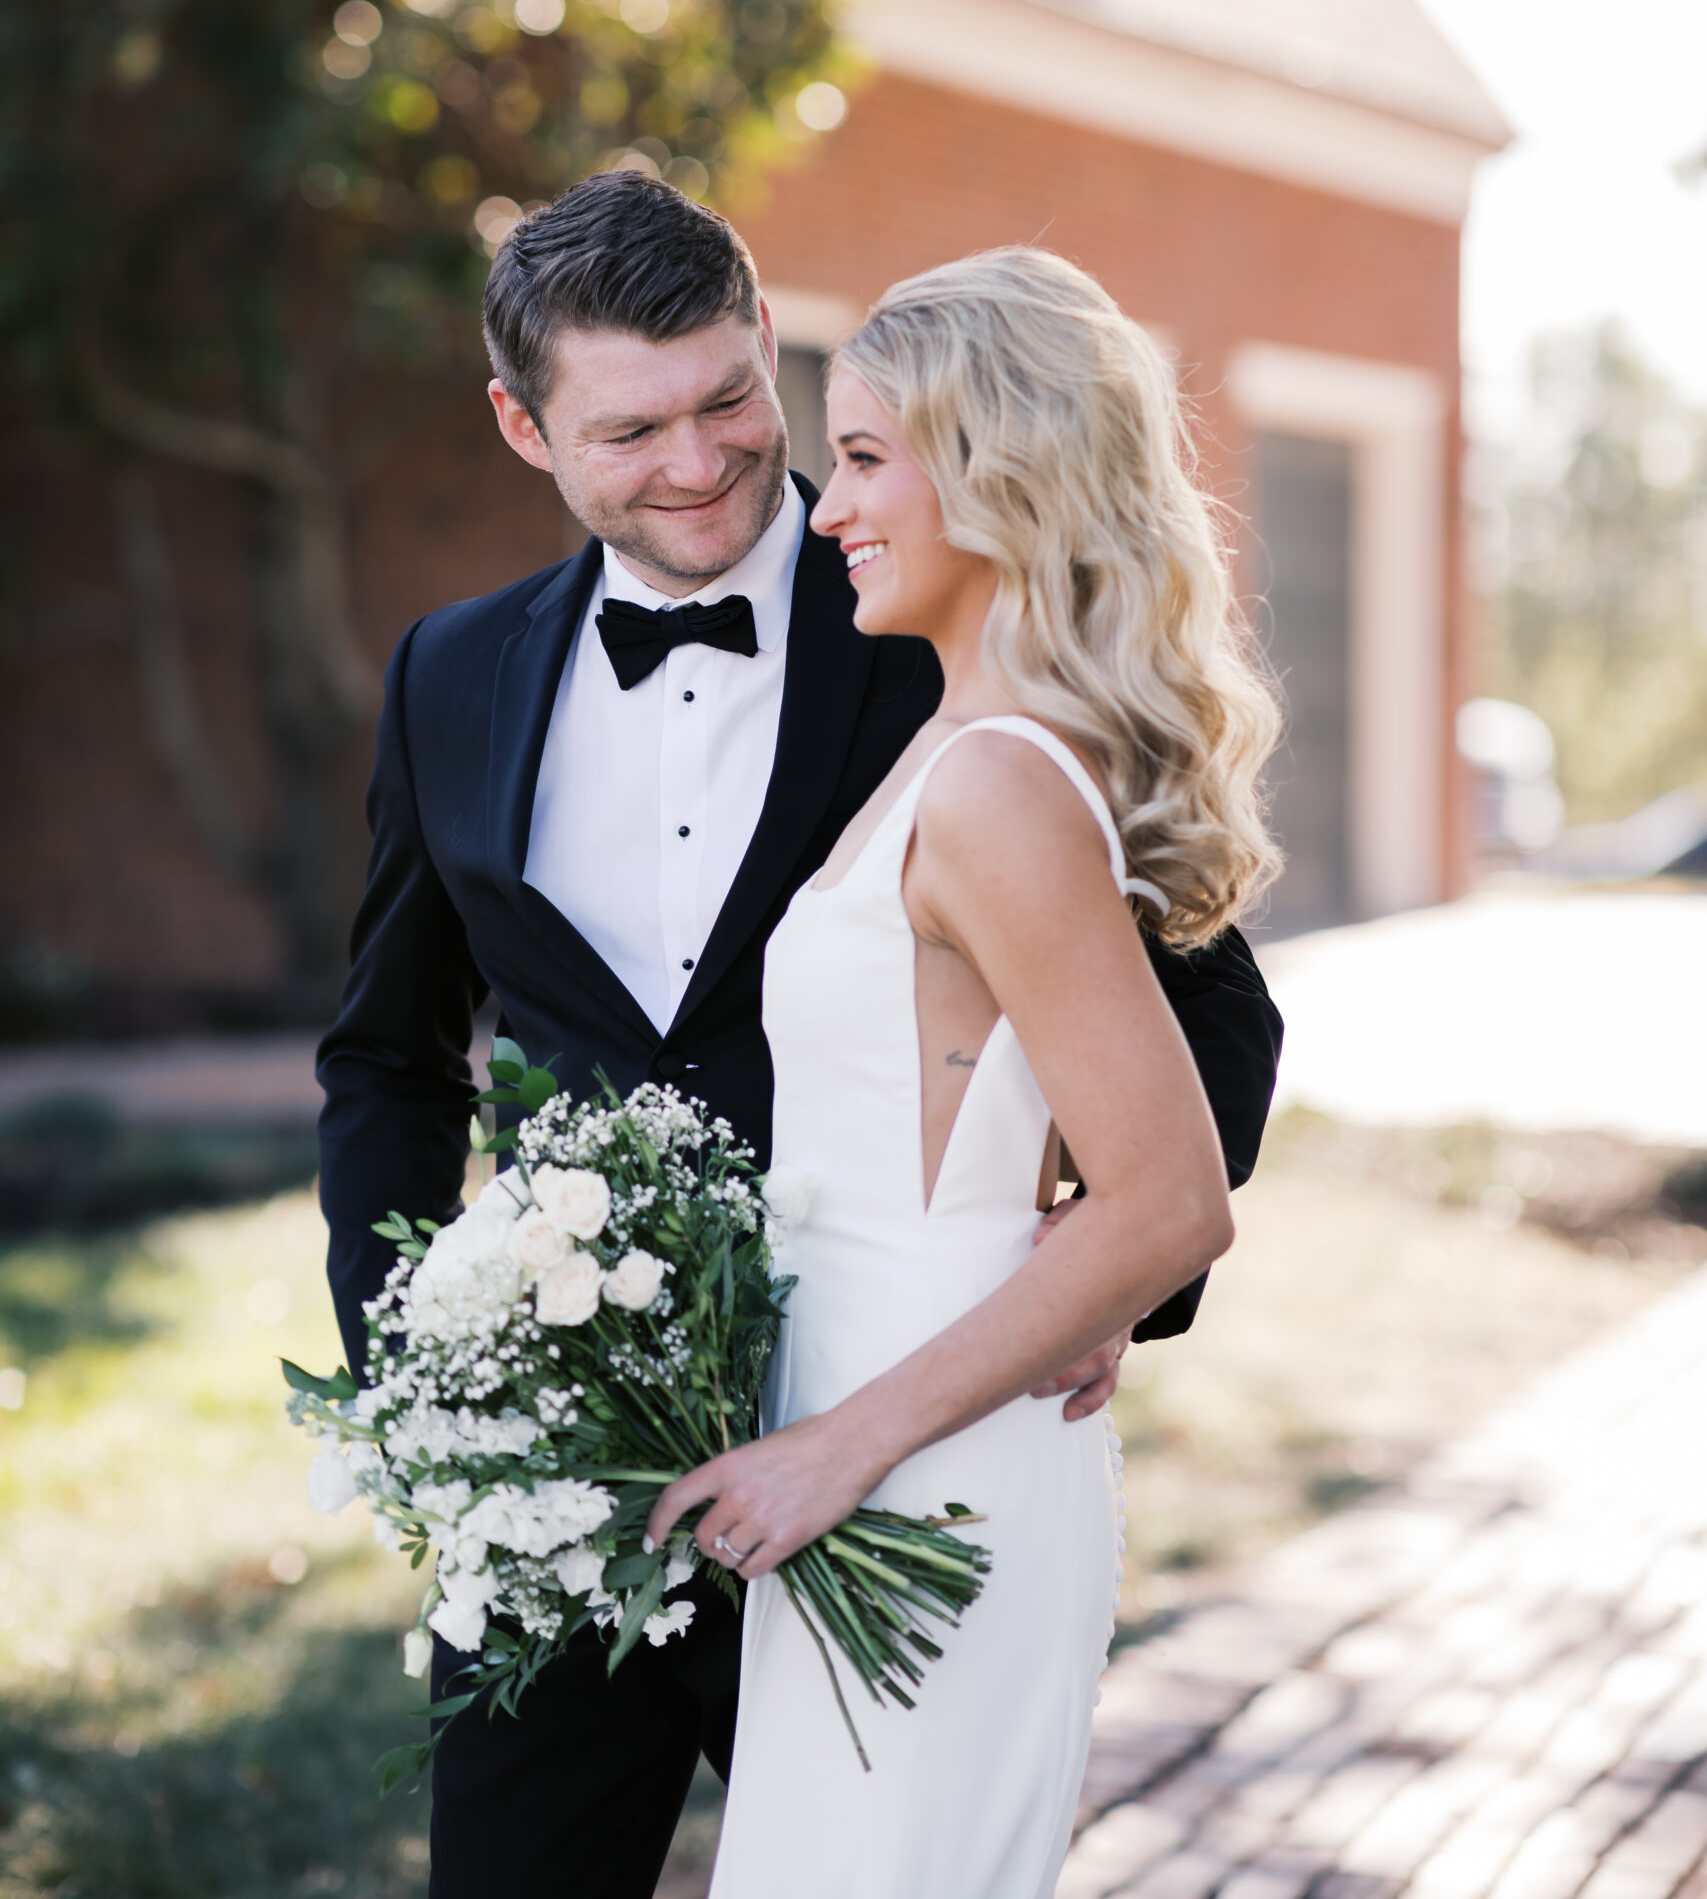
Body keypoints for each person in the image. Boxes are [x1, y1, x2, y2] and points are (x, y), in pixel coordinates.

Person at [315, 175, 1284, 1899]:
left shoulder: (942, 616)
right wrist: (423, 1383)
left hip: (884, 1434)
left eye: (726, 405)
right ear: (522, 428)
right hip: (580, 1466)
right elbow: (389, 1058)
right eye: (628, 431)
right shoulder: (447, 677)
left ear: (769, 344)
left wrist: (1086, 1276)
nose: (696, 465)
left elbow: (1206, 1000)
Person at [647, 247, 1283, 1898]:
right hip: (884, 1414)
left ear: (999, 468)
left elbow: (1168, 1198)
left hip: (912, 1461)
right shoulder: (962, 744)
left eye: (863, 457)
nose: (827, 501)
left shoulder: (999, 782)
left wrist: (838, 1449)